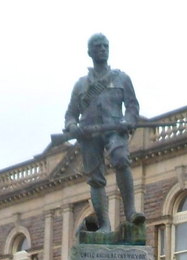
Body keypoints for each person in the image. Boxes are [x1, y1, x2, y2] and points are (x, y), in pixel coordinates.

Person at [65, 33, 145, 233]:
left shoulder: (121, 78)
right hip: (89, 134)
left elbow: (132, 106)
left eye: (105, 46)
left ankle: (131, 213)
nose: (102, 49)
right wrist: (73, 126)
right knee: (96, 179)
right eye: (98, 46)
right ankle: (104, 224)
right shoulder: (81, 85)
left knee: (121, 159)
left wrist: (129, 121)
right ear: (90, 52)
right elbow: (71, 115)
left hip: (114, 129)